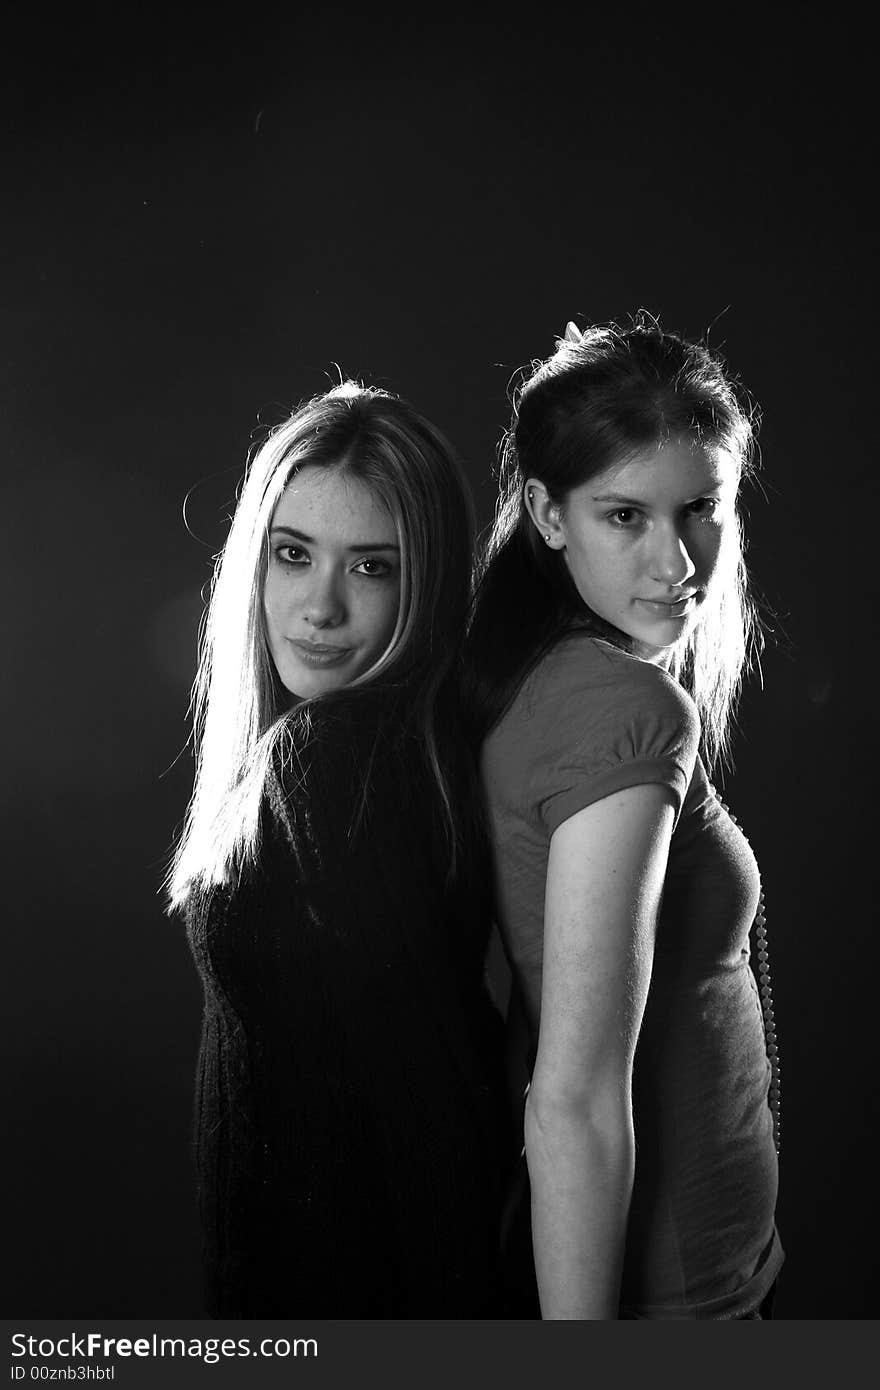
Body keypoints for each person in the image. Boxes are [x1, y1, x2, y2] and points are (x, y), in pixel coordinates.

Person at [167, 381, 511, 1317]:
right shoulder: (390, 752)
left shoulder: (333, 757)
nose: (317, 608)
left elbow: (435, 1111)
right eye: (293, 555)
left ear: (425, 585)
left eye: (370, 568)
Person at [464, 316, 783, 1319]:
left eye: (699, 508)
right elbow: (571, 1099)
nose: (675, 560)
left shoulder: (540, 673)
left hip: (709, 1270)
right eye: (623, 517)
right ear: (546, 515)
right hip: (680, 1299)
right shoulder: (624, 709)